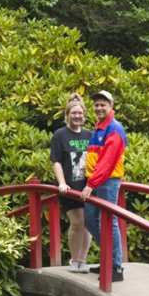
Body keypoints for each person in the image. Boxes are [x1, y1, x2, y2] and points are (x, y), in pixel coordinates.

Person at [80, 91, 127, 283]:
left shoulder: (114, 128)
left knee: (109, 221)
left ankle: (115, 266)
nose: (99, 108)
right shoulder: (98, 128)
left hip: (105, 181)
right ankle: (106, 259)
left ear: (111, 106)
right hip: (95, 180)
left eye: (103, 105)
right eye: (97, 104)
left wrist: (91, 183)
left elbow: (107, 162)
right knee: (90, 220)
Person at [49, 93, 92, 272]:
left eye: (80, 113)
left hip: (87, 187)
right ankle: (74, 259)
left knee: (89, 223)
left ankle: (83, 260)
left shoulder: (90, 135)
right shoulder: (60, 135)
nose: (77, 116)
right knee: (77, 222)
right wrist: (62, 183)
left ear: (84, 115)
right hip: (69, 188)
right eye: (73, 113)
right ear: (67, 114)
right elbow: (56, 160)